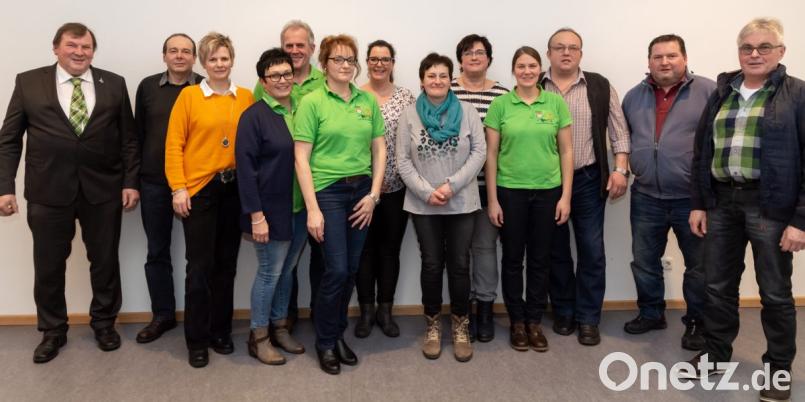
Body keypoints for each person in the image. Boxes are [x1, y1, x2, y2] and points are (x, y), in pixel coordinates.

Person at [0, 22, 139, 363]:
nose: (80, 52)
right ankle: (52, 331)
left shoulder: (114, 84)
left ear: (93, 51)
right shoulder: (28, 82)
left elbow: (129, 139)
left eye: (86, 47)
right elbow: (9, 139)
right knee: (48, 265)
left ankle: (105, 324)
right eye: (72, 45)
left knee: (104, 261)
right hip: (48, 191)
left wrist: (130, 182)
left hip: (103, 190)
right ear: (56, 48)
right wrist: (6, 187)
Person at [685, 18, 803, 402]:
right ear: (738, 52)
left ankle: (778, 371)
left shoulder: (797, 95)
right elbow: (703, 151)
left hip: (770, 206)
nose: (755, 54)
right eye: (747, 47)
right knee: (717, 286)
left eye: (764, 47)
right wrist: (700, 203)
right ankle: (716, 357)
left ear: (780, 52)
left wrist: (800, 221)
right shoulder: (722, 93)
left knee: (775, 293)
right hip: (721, 202)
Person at [294, 34, 386, 375]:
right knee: (334, 269)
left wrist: (374, 196)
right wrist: (313, 208)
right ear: (324, 64)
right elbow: (301, 158)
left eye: (350, 60)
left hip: (361, 192)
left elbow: (379, 150)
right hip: (328, 193)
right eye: (338, 60)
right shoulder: (313, 102)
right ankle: (325, 341)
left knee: (350, 269)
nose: (345, 65)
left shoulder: (367, 101)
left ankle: (335, 334)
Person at [165, 32, 254, 368]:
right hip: (199, 190)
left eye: (225, 58)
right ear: (203, 63)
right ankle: (197, 340)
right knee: (199, 268)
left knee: (226, 266)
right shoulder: (189, 97)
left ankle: (221, 332)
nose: (219, 64)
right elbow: (174, 145)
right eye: (213, 59)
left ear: (232, 60)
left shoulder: (244, 97)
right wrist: (179, 187)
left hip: (234, 191)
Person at [620, 34, 715, 351]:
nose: (664, 62)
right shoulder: (633, 97)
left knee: (699, 267)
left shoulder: (709, 91)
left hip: (693, 198)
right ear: (648, 61)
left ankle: (697, 322)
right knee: (644, 262)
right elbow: (625, 141)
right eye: (658, 57)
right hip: (646, 195)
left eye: (671, 56)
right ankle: (651, 313)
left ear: (684, 59)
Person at [540, 27, 631, 346]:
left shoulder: (599, 85)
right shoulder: (533, 84)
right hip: (546, 183)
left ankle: (588, 317)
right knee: (556, 251)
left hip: (589, 179)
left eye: (573, 48)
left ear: (581, 53)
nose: (566, 52)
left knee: (592, 250)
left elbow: (619, 131)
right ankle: (564, 311)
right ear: (548, 52)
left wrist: (620, 168)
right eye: (559, 47)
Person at [397, 53, 487, 363]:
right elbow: (403, 160)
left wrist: (450, 186)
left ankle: (461, 325)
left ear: (451, 78)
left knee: (460, 264)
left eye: (443, 75)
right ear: (422, 79)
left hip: (461, 202)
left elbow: (479, 152)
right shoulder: (409, 115)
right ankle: (433, 324)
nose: (437, 80)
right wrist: (426, 191)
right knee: (432, 264)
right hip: (424, 205)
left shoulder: (467, 111)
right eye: (431, 75)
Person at [484, 46, 573, 353]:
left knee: (540, 259)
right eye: (520, 66)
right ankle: (517, 322)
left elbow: (566, 152)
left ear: (540, 69)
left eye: (532, 65)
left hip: (548, 192)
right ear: (513, 70)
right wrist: (493, 201)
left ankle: (534, 321)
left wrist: (566, 197)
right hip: (510, 191)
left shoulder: (555, 103)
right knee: (512, 259)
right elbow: (491, 155)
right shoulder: (500, 105)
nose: (526, 71)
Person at [236, 48, 307, 365]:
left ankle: (280, 327)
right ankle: (258, 336)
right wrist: (257, 216)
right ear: (263, 82)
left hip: (300, 208)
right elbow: (246, 170)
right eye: (275, 75)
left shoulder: (301, 110)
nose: (282, 80)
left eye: (287, 74)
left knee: (287, 271)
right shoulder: (254, 117)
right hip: (269, 211)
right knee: (269, 273)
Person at [253, 20, 325, 330]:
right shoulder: (265, 88)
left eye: (300, 45)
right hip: (279, 195)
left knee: (312, 263)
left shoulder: (325, 81)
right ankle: (278, 321)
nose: (295, 50)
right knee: (280, 268)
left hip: (319, 190)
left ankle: (312, 318)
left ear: (312, 47)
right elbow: (258, 141)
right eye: (289, 45)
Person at [133, 33, 204, 344]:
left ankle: (200, 315)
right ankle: (162, 315)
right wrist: (131, 182)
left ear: (194, 57)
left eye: (186, 51)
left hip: (197, 183)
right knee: (157, 251)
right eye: (173, 51)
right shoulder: (148, 87)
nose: (179, 56)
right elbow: (136, 136)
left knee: (199, 255)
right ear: (164, 56)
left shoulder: (205, 86)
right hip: (154, 183)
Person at [354, 39, 416, 339]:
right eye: (374, 58)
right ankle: (365, 312)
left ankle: (385, 310)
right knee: (363, 251)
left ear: (393, 63)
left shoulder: (406, 97)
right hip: (359, 190)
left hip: (396, 189)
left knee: (389, 251)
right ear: (367, 62)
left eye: (385, 59)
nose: (379, 64)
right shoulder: (354, 96)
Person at [451, 34, 509, 342]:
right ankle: (463, 310)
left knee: (485, 250)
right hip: (454, 190)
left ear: (489, 59)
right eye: (468, 52)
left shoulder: (502, 95)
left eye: (481, 52)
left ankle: (484, 309)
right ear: (460, 58)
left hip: (489, 189)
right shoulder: (445, 90)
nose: (475, 57)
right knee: (458, 253)